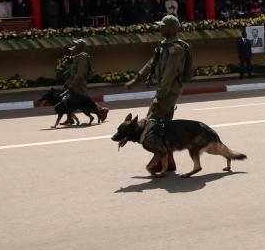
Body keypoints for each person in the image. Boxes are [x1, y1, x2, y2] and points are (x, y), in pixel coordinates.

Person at [124, 15, 188, 172]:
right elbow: (151, 64)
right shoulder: (164, 45)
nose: (160, 28)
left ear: (171, 28)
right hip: (166, 88)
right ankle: (169, 161)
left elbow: (169, 74)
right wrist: (135, 80)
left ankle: (160, 158)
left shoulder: (176, 48)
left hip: (170, 89)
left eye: (163, 26)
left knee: (152, 124)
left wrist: (159, 96)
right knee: (163, 126)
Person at [64, 39, 109, 123]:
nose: (75, 46)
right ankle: (70, 118)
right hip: (72, 81)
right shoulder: (76, 55)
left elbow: (80, 71)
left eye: (77, 45)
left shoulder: (83, 56)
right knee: (67, 100)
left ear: (81, 47)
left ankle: (101, 111)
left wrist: (74, 84)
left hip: (79, 83)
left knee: (85, 101)